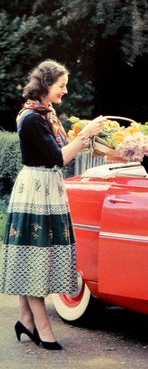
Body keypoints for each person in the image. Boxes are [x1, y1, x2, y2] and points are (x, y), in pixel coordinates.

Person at [0, 60, 105, 350]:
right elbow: (59, 158)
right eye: (62, 85)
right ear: (46, 85)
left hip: (46, 186)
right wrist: (86, 135)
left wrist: (90, 137)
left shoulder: (45, 113)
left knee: (32, 253)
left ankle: (26, 319)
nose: (66, 91)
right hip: (38, 188)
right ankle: (41, 326)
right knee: (36, 254)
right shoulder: (33, 118)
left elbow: (60, 149)